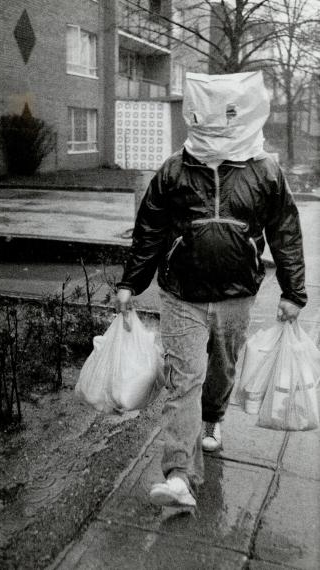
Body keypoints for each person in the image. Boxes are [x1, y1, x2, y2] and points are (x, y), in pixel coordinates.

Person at [115, 71, 307, 509]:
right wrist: (131, 282)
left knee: (221, 370)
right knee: (185, 379)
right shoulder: (175, 170)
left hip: (237, 294)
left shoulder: (265, 171)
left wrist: (293, 292)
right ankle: (179, 475)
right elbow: (149, 231)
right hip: (181, 294)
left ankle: (213, 419)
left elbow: (285, 232)